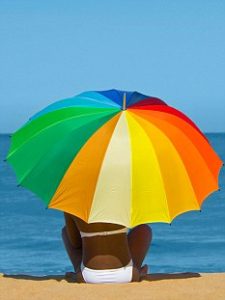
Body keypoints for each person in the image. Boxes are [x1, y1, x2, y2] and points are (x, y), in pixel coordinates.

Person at [62, 212, 152, 283]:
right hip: (127, 275)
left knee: (66, 231)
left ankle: (78, 272)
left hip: (88, 276)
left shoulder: (74, 201)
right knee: (144, 229)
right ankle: (136, 269)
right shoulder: (124, 198)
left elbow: (75, 243)